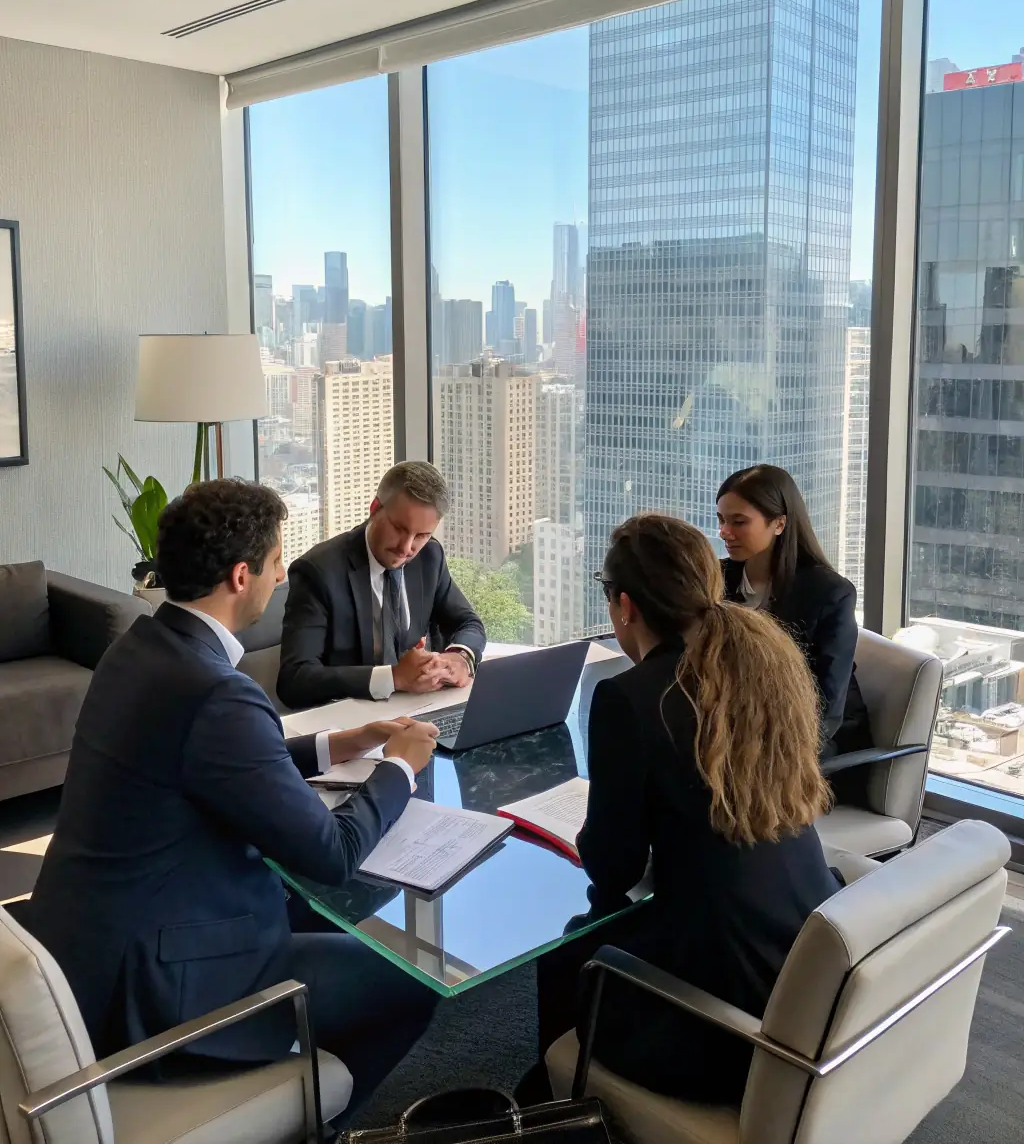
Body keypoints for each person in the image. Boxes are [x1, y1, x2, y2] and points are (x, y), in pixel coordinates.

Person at [22, 479, 439, 1111]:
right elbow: (332, 852)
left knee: (321, 914)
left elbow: (215, 760)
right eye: (276, 562)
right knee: (413, 980)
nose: (282, 575)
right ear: (243, 576)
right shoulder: (216, 691)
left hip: (91, 949)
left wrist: (341, 743)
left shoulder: (139, 648)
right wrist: (400, 768)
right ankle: (319, 1117)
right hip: (156, 991)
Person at [531, 513, 841, 1107]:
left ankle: (560, 1109)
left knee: (570, 952)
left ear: (624, 606)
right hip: (802, 965)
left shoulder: (628, 697)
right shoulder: (764, 662)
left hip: (726, 1025)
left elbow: (614, 869)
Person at [278, 461, 486, 710]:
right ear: (375, 508)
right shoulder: (318, 571)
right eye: (399, 528)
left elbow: (468, 623)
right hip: (352, 719)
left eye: (421, 535)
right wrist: (393, 678)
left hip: (420, 709)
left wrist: (459, 658)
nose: (407, 548)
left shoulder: (429, 557)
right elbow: (294, 680)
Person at [717, 464, 871, 756]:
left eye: (738, 522)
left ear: (779, 524)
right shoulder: (716, 579)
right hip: (737, 730)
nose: (724, 532)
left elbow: (826, 711)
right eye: (721, 520)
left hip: (807, 746)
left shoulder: (829, 594)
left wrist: (760, 751)